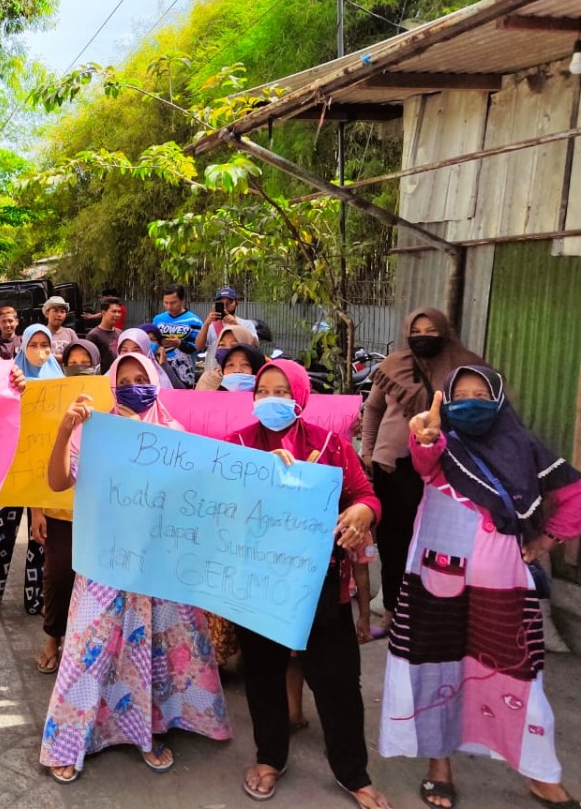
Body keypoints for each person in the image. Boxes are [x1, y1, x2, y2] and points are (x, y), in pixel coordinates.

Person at [380, 366, 581, 809]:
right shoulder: (441, 441)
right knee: (435, 664)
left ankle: (538, 771)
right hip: (435, 578)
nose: (471, 401)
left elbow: (574, 492)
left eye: (481, 393)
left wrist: (547, 539)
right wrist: (426, 436)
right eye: (461, 394)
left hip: (502, 584)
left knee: (515, 670)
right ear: (447, 402)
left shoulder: (523, 445)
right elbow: (423, 460)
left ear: (500, 399)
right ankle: (439, 766)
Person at [40, 352, 231, 783]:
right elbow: (57, 482)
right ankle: (69, 740)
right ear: (111, 385)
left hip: (159, 567)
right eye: (122, 379)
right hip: (104, 562)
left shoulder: (175, 434)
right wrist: (64, 430)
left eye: (139, 377)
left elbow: (200, 493)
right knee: (88, 649)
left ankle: (150, 731)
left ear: (155, 382)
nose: (131, 386)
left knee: (157, 650)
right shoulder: (95, 433)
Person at [227, 359, 390, 808]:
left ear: (300, 396)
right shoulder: (236, 445)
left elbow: (366, 495)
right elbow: (211, 495)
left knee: (337, 680)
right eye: (264, 391)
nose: (271, 399)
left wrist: (363, 513)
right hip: (256, 586)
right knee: (262, 676)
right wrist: (259, 473)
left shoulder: (330, 445)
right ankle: (269, 759)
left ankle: (353, 773)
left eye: (282, 391)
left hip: (322, 588)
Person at [361, 307, 485, 639]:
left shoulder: (465, 368)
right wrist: (369, 454)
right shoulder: (393, 365)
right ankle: (392, 615)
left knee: (436, 546)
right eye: (416, 331)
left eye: (431, 330)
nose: (422, 336)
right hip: (391, 467)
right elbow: (373, 409)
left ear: (444, 330)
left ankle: (431, 619)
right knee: (392, 543)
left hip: (438, 471)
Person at [0, 326, 60, 619]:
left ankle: (35, 600)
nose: (40, 351)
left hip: (44, 474)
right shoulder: (10, 378)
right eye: (33, 345)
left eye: (45, 345)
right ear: (23, 348)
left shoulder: (59, 382)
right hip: (9, 471)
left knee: (40, 538)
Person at [30, 340, 100, 675]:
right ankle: (52, 639)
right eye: (73, 361)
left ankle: (85, 644)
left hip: (98, 516)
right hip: (59, 512)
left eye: (86, 361)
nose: (79, 366)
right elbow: (35, 463)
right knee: (57, 578)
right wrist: (37, 511)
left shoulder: (110, 405)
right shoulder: (48, 401)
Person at [153, 284, 202, 388]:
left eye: (173, 303)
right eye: (166, 303)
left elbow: (198, 348)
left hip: (184, 375)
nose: (169, 306)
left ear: (182, 300)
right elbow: (151, 343)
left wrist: (180, 344)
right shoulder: (158, 319)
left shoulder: (194, 320)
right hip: (160, 372)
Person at [195, 324, 259, 391]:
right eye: (222, 345)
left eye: (234, 345)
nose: (226, 349)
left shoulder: (262, 381)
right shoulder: (209, 379)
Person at [197, 286, 258, 354]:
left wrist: (237, 325)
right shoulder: (210, 325)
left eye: (229, 302)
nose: (225, 306)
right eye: (221, 303)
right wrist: (206, 324)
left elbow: (254, 344)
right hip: (214, 364)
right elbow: (199, 346)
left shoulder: (246, 324)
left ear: (237, 303)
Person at [85, 296, 123, 373]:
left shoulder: (120, 333)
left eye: (119, 312)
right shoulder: (93, 335)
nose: (117, 315)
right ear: (103, 313)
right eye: (114, 311)